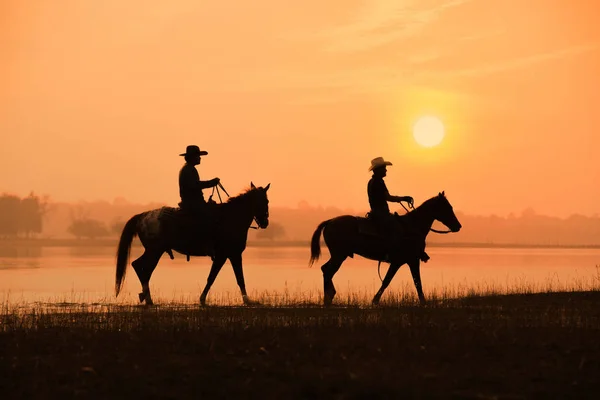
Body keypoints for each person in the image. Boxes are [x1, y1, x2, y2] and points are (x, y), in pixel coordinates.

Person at [367, 157, 429, 263]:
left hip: (377, 212)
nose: (386, 170)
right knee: (397, 228)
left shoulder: (373, 181)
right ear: (378, 170)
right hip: (381, 213)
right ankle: (390, 253)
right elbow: (388, 197)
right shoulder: (378, 182)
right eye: (384, 168)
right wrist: (403, 198)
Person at [177, 145, 220, 256]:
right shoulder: (189, 170)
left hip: (193, 202)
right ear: (192, 157)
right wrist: (210, 183)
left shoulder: (189, 169)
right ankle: (207, 245)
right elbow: (194, 186)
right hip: (192, 203)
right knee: (211, 217)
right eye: (198, 156)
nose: (200, 158)